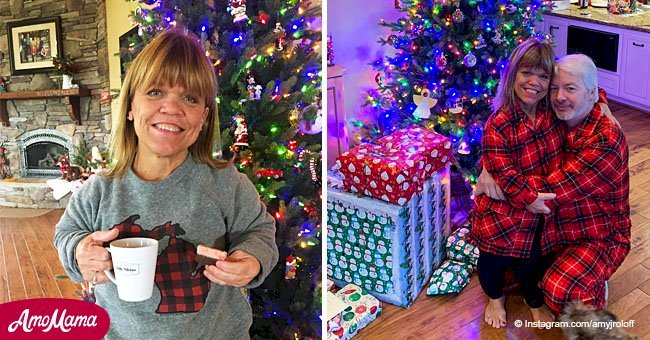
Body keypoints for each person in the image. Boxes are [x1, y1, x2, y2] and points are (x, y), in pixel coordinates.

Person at [54, 29, 278, 339]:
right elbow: (67, 234)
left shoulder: (227, 184)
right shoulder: (99, 190)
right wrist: (80, 250)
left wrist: (250, 260)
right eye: (155, 92)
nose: (172, 108)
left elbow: (259, 231)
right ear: (131, 107)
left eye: (189, 97)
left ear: (202, 118)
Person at [476, 54, 630, 317]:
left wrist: (501, 177)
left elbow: (549, 190)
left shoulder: (605, 140)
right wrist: (487, 168)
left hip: (595, 233)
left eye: (569, 89)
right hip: (557, 224)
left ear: (590, 94)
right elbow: (580, 84)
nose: (559, 97)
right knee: (510, 274)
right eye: (555, 88)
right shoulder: (555, 110)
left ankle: (595, 288)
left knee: (558, 291)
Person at [470, 38, 559, 329]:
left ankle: (534, 299)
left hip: (538, 215)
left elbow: (584, 90)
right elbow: (505, 172)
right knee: (493, 261)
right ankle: (494, 297)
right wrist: (530, 198)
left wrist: (605, 105)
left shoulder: (550, 112)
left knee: (534, 262)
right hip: (503, 214)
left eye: (543, 76)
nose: (534, 82)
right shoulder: (500, 122)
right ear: (512, 74)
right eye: (527, 73)